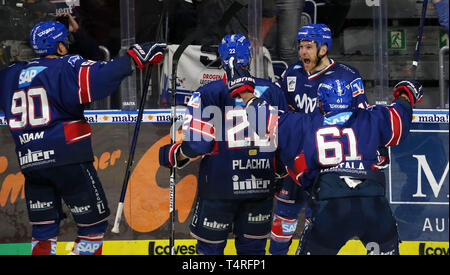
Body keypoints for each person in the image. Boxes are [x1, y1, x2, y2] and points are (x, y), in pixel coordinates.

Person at [0, 20, 166, 255]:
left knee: (44, 230)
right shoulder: (66, 66)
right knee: (93, 227)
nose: (68, 45)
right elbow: (102, 76)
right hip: (68, 159)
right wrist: (134, 57)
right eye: (66, 42)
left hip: (31, 163)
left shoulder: (9, 75)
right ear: (59, 47)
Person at [227, 59, 423, 254]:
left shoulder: (304, 124)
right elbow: (400, 118)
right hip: (374, 207)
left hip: (332, 209)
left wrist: (245, 93)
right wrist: (405, 94)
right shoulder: (373, 119)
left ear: (320, 103)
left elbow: (262, 119)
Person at [159, 34, 288, 255]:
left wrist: (173, 154)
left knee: (209, 253)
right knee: (253, 255)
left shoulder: (207, 92)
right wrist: (276, 174)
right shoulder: (274, 91)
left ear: (221, 59)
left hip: (218, 188)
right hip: (259, 190)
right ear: (248, 59)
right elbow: (284, 146)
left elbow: (198, 145)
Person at [269, 23, 391, 255]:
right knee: (283, 218)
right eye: (301, 47)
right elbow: (277, 108)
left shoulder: (347, 75)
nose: (303, 52)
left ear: (324, 48)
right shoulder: (291, 72)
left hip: (328, 160)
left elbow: (363, 116)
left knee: (318, 222)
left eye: (309, 47)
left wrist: (379, 147)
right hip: (296, 159)